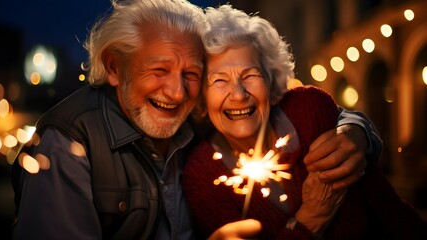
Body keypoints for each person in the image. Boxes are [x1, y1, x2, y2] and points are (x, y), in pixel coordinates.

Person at [12, 0, 382, 239]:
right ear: (114, 67)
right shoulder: (67, 143)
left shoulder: (196, 119)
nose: (177, 92)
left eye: (192, 73)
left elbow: (307, 112)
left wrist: (358, 132)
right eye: (159, 69)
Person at [182, 4, 427, 240]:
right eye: (219, 81)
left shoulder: (309, 107)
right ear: (201, 96)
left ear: (272, 80)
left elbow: (387, 206)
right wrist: (312, 218)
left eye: (251, 75)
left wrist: (359, 132)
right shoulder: (202, 175)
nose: (238, 94)